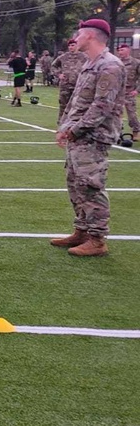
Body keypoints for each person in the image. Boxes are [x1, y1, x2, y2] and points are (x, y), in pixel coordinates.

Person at [52, 18, 126, 257]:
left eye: (80, 33)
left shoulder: (110, 65)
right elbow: (76, 100)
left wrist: (74, 129)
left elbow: (101, 106)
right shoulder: (90, 63)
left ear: (91, 36)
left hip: (94, 136)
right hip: (79, 135)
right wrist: (64, 126)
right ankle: (82, 230)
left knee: (92, 186)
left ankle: (97, 239)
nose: (76, 37)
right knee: (76, 184)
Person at [52, 38, 86, 123]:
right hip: (65, 85)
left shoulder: (84, 57)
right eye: (69, 45)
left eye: (73, 45)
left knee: (78, 105)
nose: (70, 47)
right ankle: (61, 122)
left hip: (78, 85)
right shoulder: (64, 57)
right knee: (63, 104)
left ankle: (75, 122)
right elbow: (53, 66)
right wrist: (58, 74)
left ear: (77, 46)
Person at [116, 43, 140, 140]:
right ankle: (117, 132)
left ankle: (136, 132)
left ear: (128, 50)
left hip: (129, 92)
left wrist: (137, 90)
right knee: (116, 113)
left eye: (122, 50)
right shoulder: (116, 62)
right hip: (117, 93)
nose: (120, 52)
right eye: (119, 50)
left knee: (132, 114)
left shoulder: (136, 62)